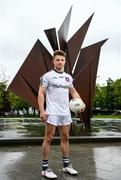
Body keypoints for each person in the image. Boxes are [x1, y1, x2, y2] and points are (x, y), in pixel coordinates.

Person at [38, 50, 85, 179]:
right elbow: (41, 93)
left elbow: (73, 92)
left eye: (62, 60)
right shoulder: (46, 76)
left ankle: (66, 166)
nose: (60, 62)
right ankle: (45, 169)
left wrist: (81, 103)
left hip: (65, 112)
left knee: (65, 138)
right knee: (48, 138)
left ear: (64, 61)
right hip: (52, 112)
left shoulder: (68, 77)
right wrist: (42, 110)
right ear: (53, 61)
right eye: (57, 60)